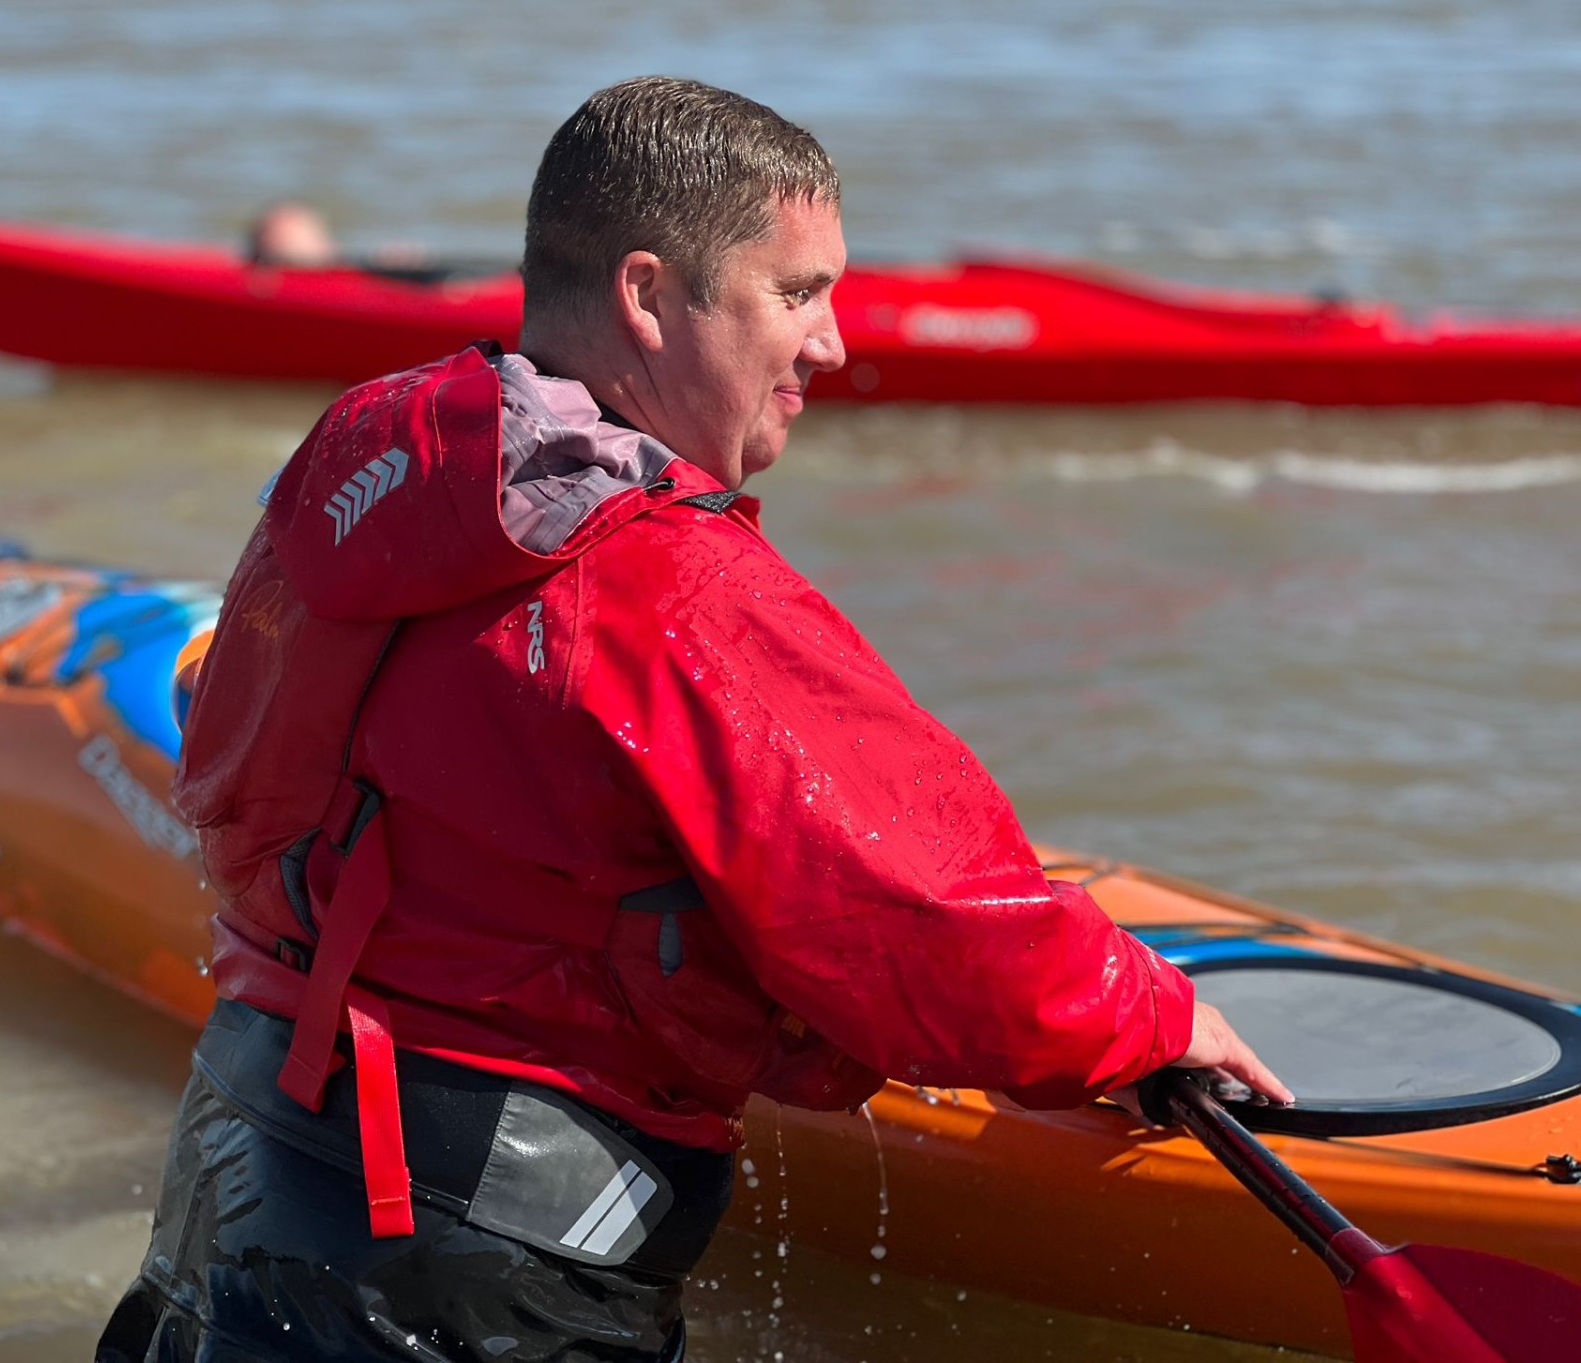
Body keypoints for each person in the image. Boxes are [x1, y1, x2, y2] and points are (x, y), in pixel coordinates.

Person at [99, 77, 1289, 1363]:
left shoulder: (365, 469)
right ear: (649, 294)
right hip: (456, 1271)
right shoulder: (672, 587)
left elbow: (220, 749)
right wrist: (1153, 1019)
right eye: (797, 293)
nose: (831, 343)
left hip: (237, 1160)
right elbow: (926, 925)